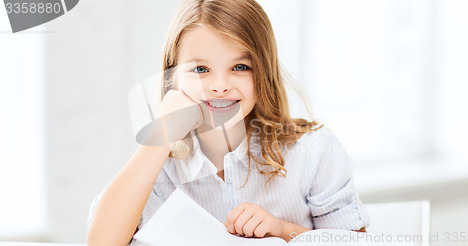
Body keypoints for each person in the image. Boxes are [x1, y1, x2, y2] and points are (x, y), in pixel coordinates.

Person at [86, 0, 369, 245]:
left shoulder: (314, 151)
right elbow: (101, 242)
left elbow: (354, 241)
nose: (220, 86)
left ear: (264, 71)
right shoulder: (159, 165)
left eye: (240, 67)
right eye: (201, 69)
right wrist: (159, 134)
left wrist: (283, 231)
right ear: (174, 76)